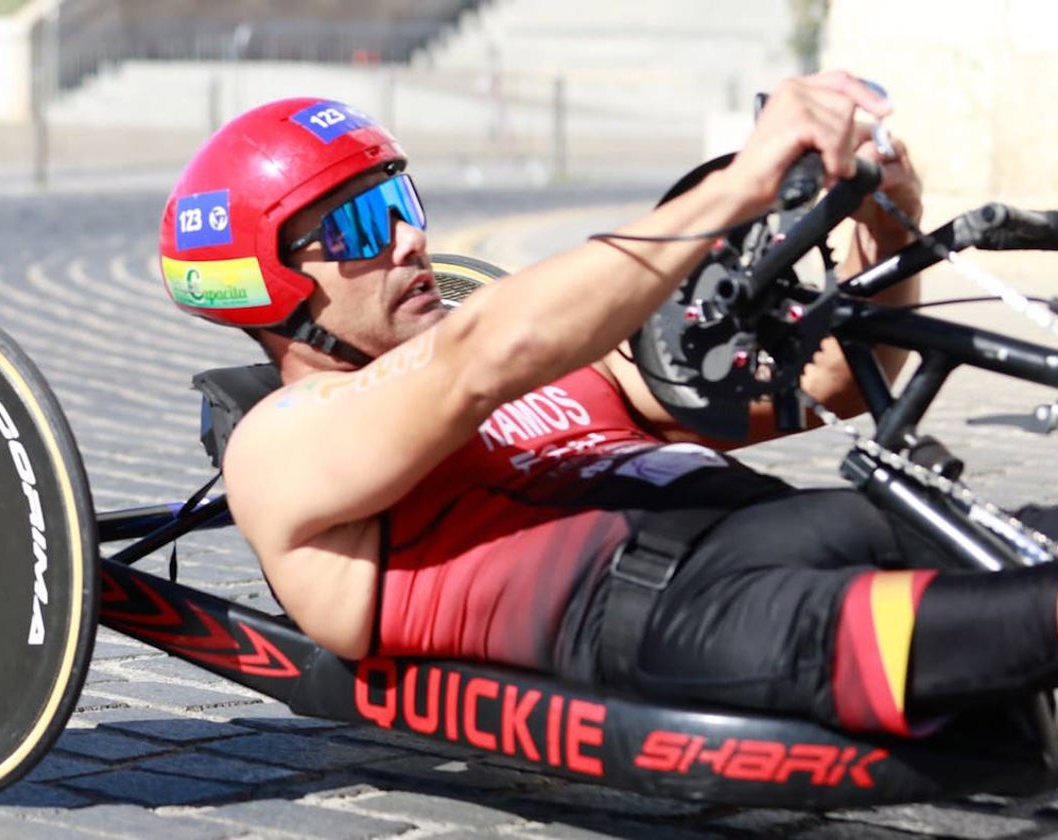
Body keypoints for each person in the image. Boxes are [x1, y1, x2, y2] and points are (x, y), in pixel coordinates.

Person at [158, 70, 1058, 737]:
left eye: (401, 199)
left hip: (809, 526)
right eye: (357, 226)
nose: (411, 237)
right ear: (273, 284)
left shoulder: (540, 364)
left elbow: (826, 385)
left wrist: (889, 224)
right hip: (684, 616)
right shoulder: (280, 444)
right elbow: (484, 353)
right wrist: (738, 184)